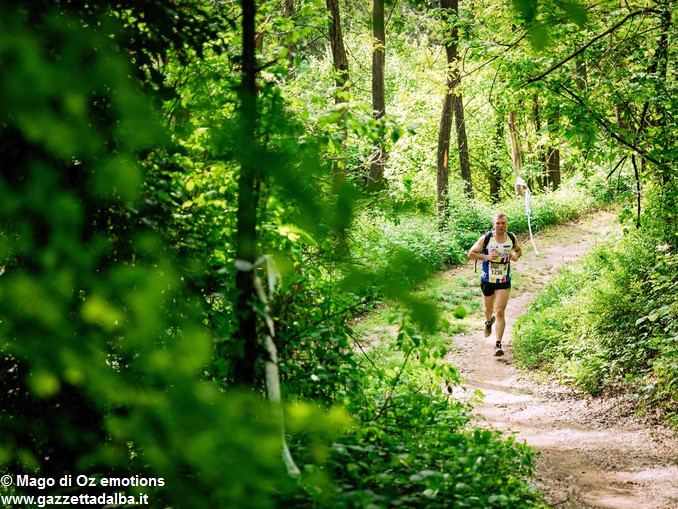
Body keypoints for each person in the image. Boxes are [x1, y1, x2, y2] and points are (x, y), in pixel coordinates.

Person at [467, 212, 522, 356]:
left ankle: (498, 344)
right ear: (494, 224)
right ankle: (488, 321)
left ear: (506, 224)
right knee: (488, 310)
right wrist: (487, 256)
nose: (500, 226)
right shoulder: (486, 238)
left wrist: (516, 255)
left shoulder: (511, 237)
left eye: (503, 223)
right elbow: (471, 254)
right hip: (488, 280)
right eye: (498, 223)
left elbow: (518, 250)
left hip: (503, 280)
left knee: (500, 311)